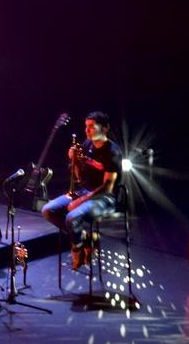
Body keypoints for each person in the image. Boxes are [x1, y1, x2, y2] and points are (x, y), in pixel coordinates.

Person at [41, 111, 122, 269]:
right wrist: (74, 160)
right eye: (86, 126)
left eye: (92, 127)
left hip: (105, 198)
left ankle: (77, 248)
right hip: (85, 191)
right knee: (47, 210)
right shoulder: (87, 144)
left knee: (72, 217)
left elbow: (107, 187)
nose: (87, 130)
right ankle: (86, 237)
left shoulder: (112, 151)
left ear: (104, 129)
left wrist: (79, 201)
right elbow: (78, 178)